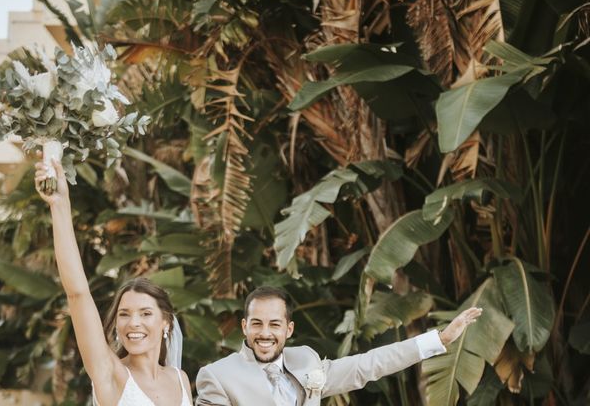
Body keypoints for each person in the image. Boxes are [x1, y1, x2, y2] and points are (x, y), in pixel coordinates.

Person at [35, 157, 192, 406]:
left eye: (145, 313)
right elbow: (78, 294)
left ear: (166, 323)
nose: (133, 323)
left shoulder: (180, 379)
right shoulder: (110, 373)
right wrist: (59, 204)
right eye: (124, 314)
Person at [196, 286, 482, 405]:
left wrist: (440, 339)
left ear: (289, 329)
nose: (265, 333)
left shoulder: (304, 360)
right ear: (244, 326)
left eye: (274, 324)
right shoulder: (218, 376)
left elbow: (368, 365)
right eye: (257, 324)